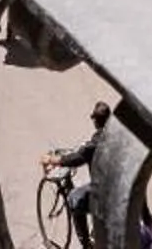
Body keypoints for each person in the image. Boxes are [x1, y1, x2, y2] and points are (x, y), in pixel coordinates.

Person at [42, 102, 114, 248]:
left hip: (105, 193)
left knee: (74, 199)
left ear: (95, 121)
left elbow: (76, 158)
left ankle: (86, 244)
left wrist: (52, 160)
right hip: (122, 187)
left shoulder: (95, 144)